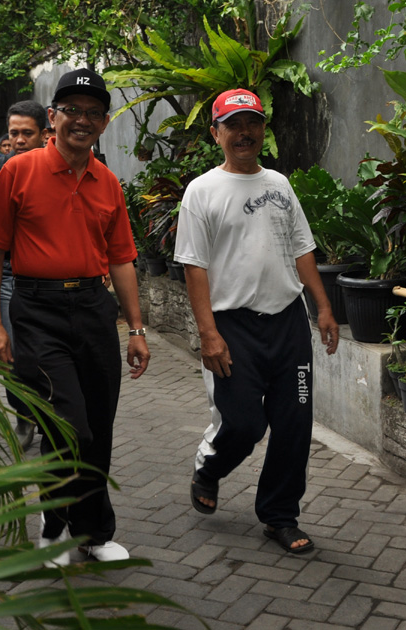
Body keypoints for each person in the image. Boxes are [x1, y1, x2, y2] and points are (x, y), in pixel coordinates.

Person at [0, 68, 149, 566]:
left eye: (93, 113)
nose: (82, 120)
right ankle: (55, 524)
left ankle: (94, 533)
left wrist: (136, 329)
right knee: (67, 426)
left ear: (103, 123)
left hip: (95, 310)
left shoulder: (108, 183)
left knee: (99, 426)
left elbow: (121, 260)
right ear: (52, 117)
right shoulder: (19, 171)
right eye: (72, 110)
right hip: (37, 310)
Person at [176, 88, 339, 555]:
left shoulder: (279, 185)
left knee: (294, 422)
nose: (243, 133)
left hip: (287, 323)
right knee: (245, 423)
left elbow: (302, 248)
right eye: (233, 125)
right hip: (232, 327)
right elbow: (193, 267)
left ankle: (280, 516)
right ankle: (209, 469)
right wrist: (208, 333)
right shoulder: (201, 192)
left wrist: (323, 308)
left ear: (263, 129)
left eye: (252, 123)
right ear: (216, 133)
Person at [0, 99, 50, 450]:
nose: (19, 140)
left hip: (47, 275)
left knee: (48, 351)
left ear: (44, 135)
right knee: (11, 352)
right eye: (14, 133)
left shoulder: (57, 170)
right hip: (5, 276)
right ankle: (22, 416)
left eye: (26, 134)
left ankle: (49, 414)